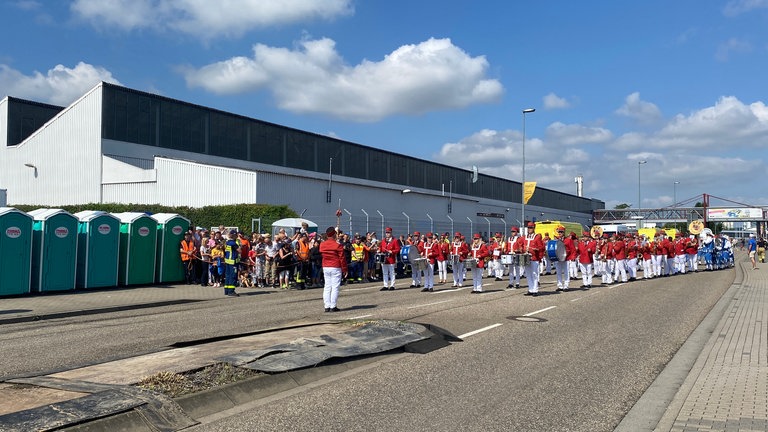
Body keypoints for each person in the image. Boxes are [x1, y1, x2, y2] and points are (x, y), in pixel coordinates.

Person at [320, 226, 347, 312]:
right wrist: (345, 269)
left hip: (326, 266)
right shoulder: (337, 245)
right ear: (334, 234)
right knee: (335, 287)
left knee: (327, 286)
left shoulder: (322, 244)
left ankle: (327, 306)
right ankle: (333, 306)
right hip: (335, 266)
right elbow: (342, 258)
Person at [515, 222, 544, 296]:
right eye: (528, 227)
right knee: (528, 274)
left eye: (531, 227)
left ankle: (535, 290)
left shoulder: (537, 237)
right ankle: (530, 289)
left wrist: (536, 249)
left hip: (534, 258)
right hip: (526, 257)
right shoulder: (524, 237)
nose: (529, 229)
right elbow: (519, 243)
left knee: (534, 274)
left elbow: (542, 247)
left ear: (534, 228)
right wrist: (520, 249)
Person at [553, 225, 570, 291]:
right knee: (558, 272)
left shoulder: (568, 240)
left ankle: (566, 285)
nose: (560, 233)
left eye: (561, 232)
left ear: (564, 232)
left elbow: (572, 249)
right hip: (558, 258)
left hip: (565, 258)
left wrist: (570, 256)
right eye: (559, 232)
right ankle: (560, 285)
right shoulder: (556, 240)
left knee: (566, 272)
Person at [223, 230, 240, 297]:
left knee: (227, 276)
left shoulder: (227, 242)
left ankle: (226, 290)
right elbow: (239, 250)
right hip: (233, 262)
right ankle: (231, 291)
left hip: (227, 261)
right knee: (233, 276)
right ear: (234, 235)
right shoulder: (233, 243)